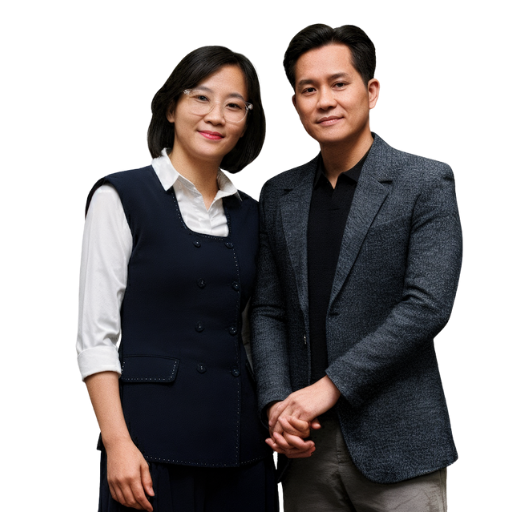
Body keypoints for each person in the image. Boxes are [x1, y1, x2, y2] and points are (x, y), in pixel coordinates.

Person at [250, 24, 462, 511]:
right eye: (309, 89)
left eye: (339, 83)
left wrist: (329, 388)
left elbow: (427, 306)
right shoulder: (278, 194)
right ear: (295, 104)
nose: (324, 100)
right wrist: (278, 404)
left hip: (401, 443)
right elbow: (268, 310)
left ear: (372, 92)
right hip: (304, 445)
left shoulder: (425, 181)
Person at [76, 45, 276, 511]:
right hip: (147, 447)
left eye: (234, 105)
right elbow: (96, 335)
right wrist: (116, 444)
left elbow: (254, 331)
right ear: (171, 107)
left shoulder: (252, 213)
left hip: (242, 447)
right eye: (200, 97)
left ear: (247, 121)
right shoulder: (120, 196)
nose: (216, 116)